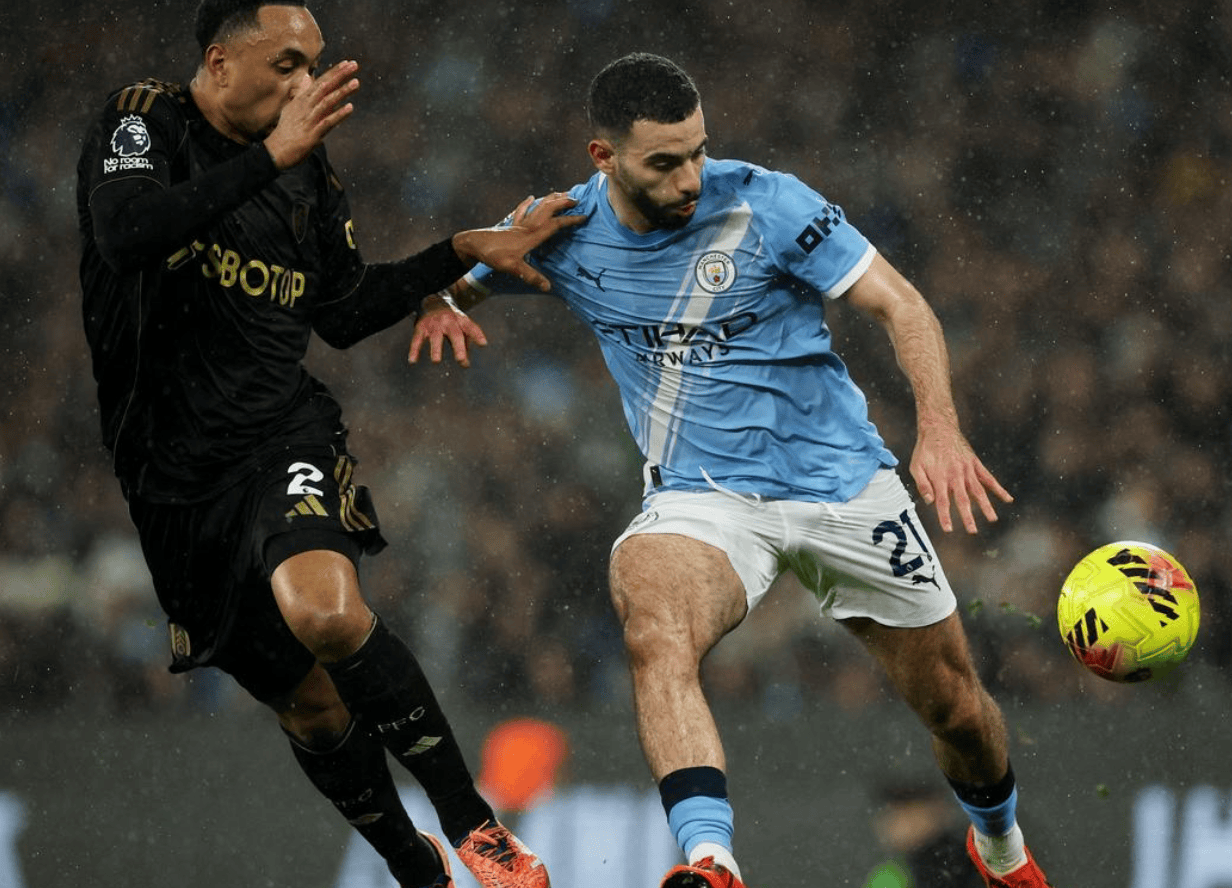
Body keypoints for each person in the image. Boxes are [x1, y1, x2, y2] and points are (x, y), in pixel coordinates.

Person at [410, 52, 1055, 888]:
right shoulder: (557, 228)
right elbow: (453, 283)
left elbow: (900, 303)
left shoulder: (769, 203)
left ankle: (1001, 848)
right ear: (603, 157)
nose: (689, 179)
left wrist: (938, 426)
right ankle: (712, 863)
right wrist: (441, 303)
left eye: (697, 152)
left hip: (844, 485)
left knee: (956, 708)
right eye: (663, 163)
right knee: (653, 623)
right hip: (704, 499)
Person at [75, 2, 582, 886]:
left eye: (312, 64)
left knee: (327, 613)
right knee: (309, 707)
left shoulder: (307, 176)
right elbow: (126, 234)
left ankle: (474, 825)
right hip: (169, 480)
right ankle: (413, 865)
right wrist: (269, 158)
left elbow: (341, 313)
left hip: (280, 434)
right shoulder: (145, 118)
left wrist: (459, 252)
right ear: (219, 62)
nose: (304, 84)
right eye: (286, 64)